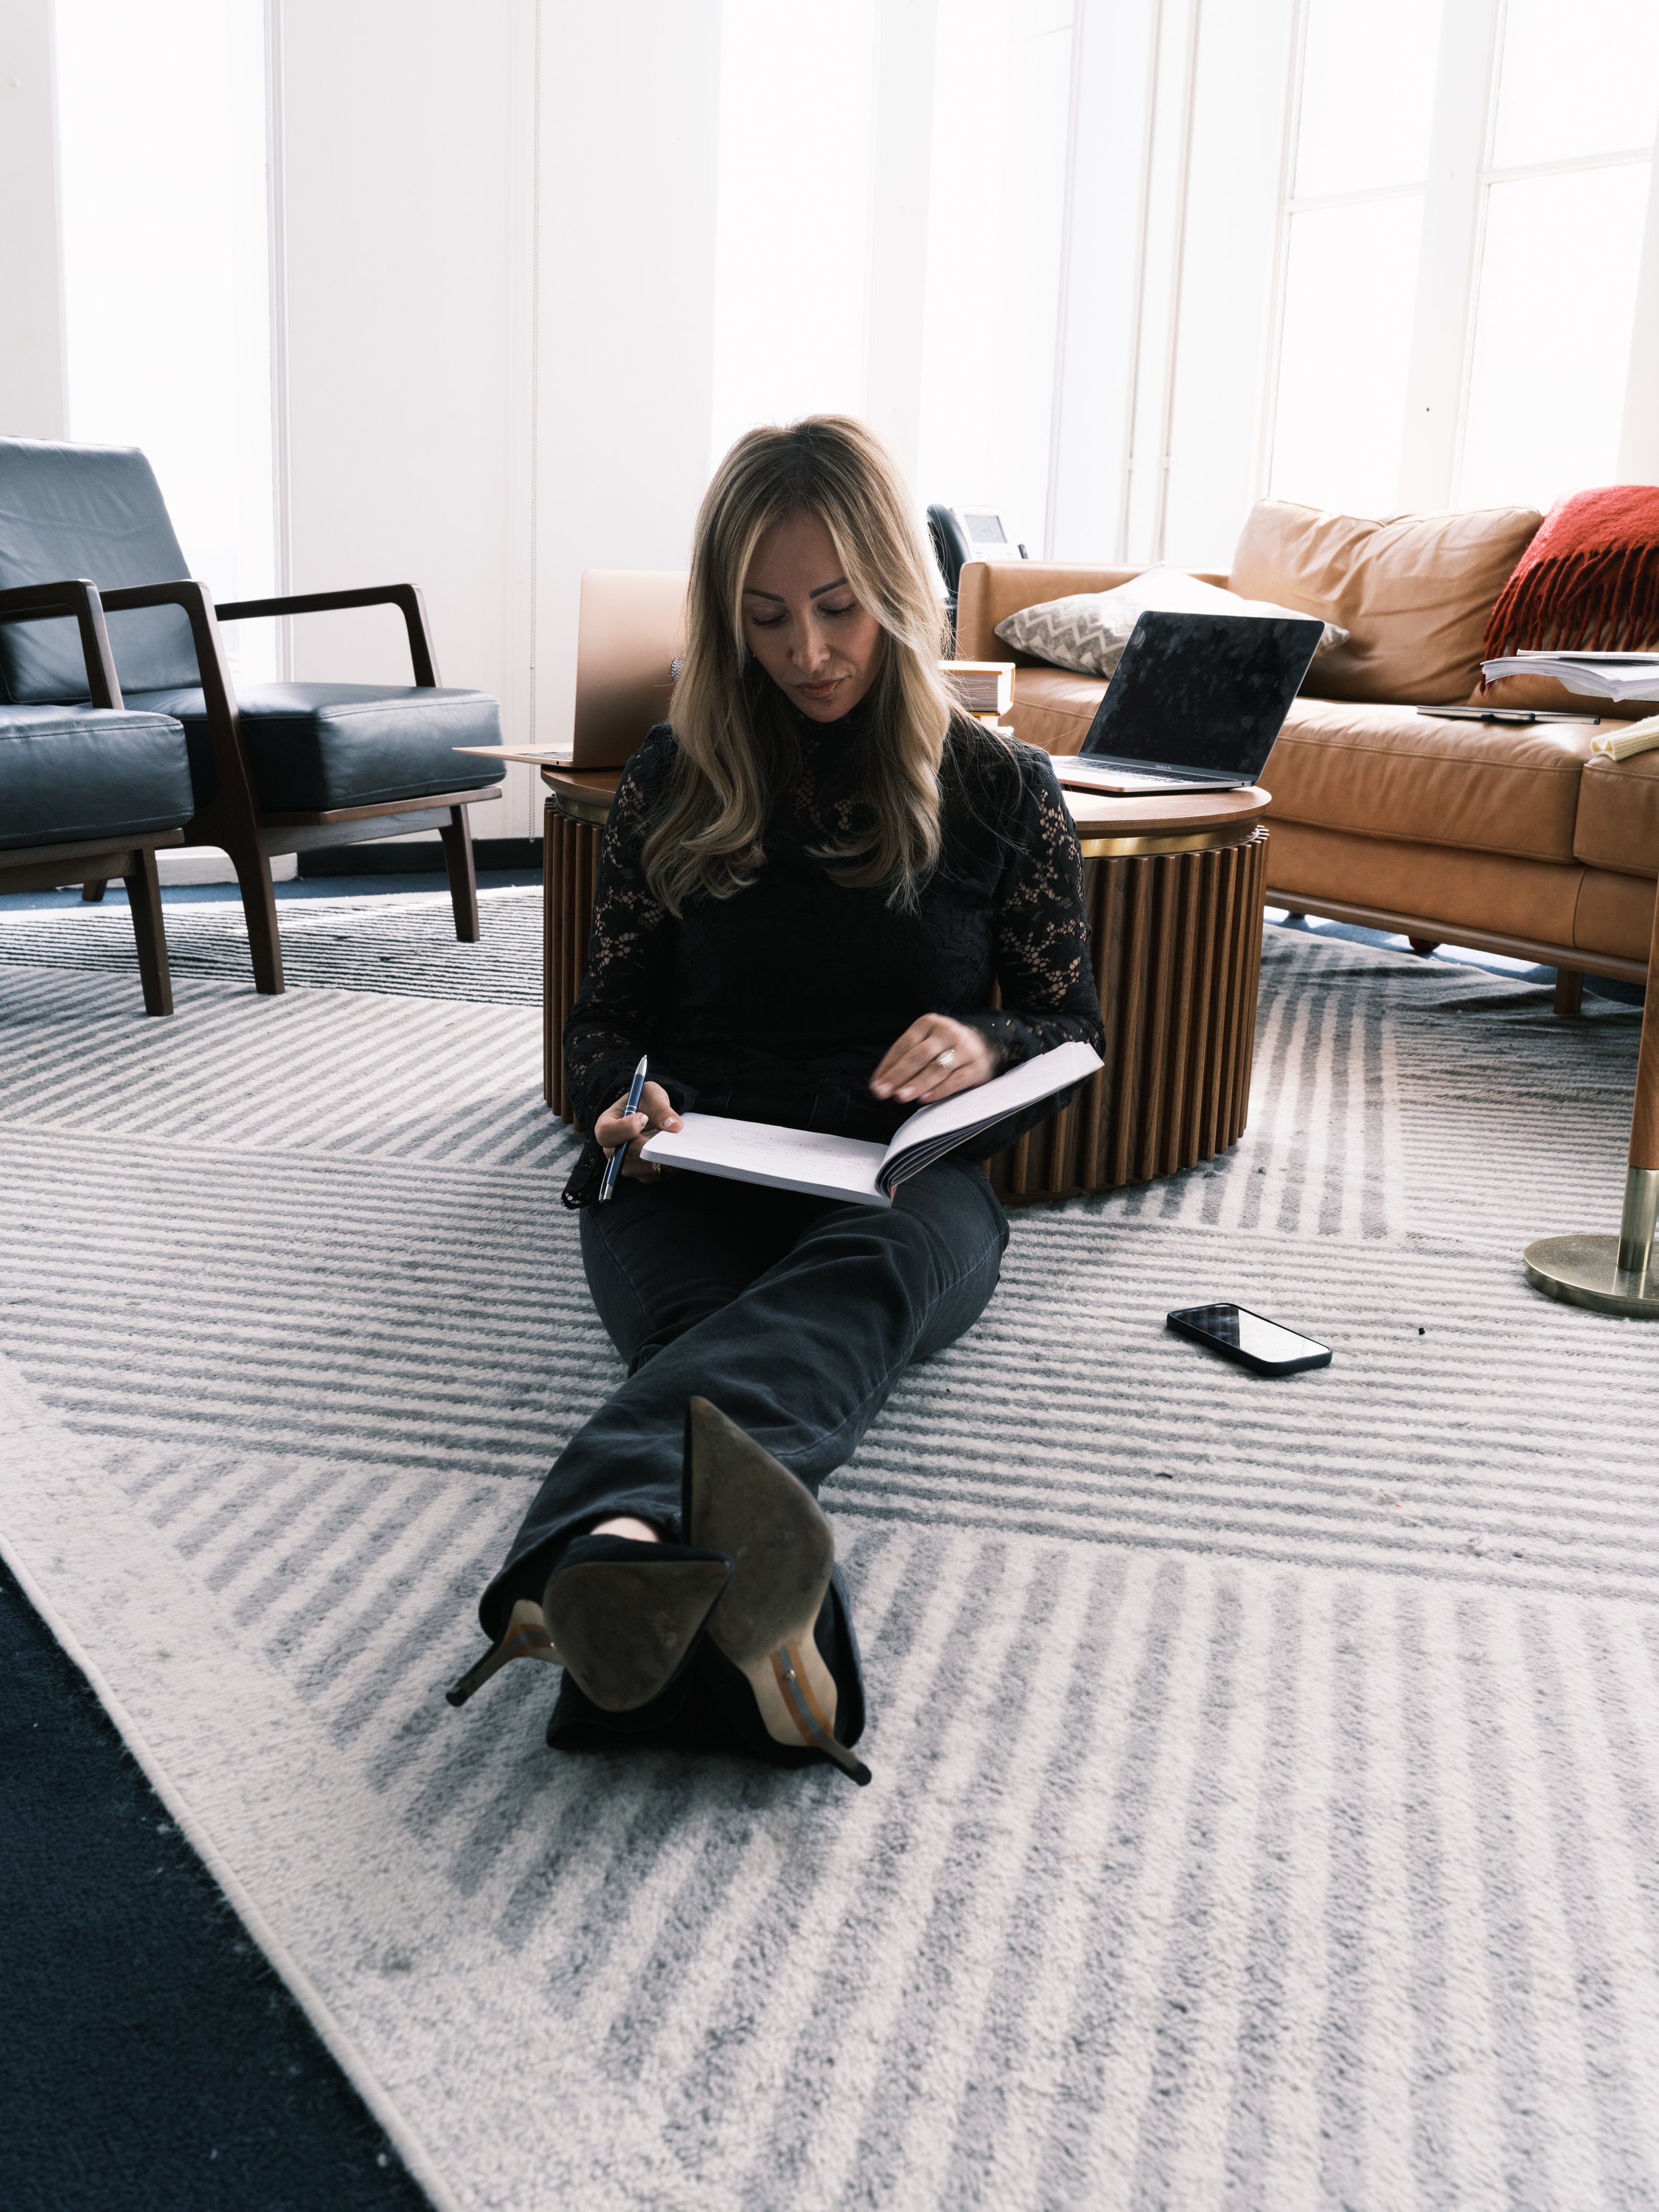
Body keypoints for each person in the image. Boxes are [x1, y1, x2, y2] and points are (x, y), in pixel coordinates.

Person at [445, 415, 1103, 1785]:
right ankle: (715, 1624)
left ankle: (604, 1555)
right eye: (765, 617)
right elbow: (601, 1029)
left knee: (814, 1298)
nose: (807, 651)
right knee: (720, 1336)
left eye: (839, 608)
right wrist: (620, 1104)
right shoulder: (675, 780)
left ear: (897, 592)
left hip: (901, 1189)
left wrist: (986, 1044)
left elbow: (1069, 1030)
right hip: (688, 1168)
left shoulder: (1001, 787)